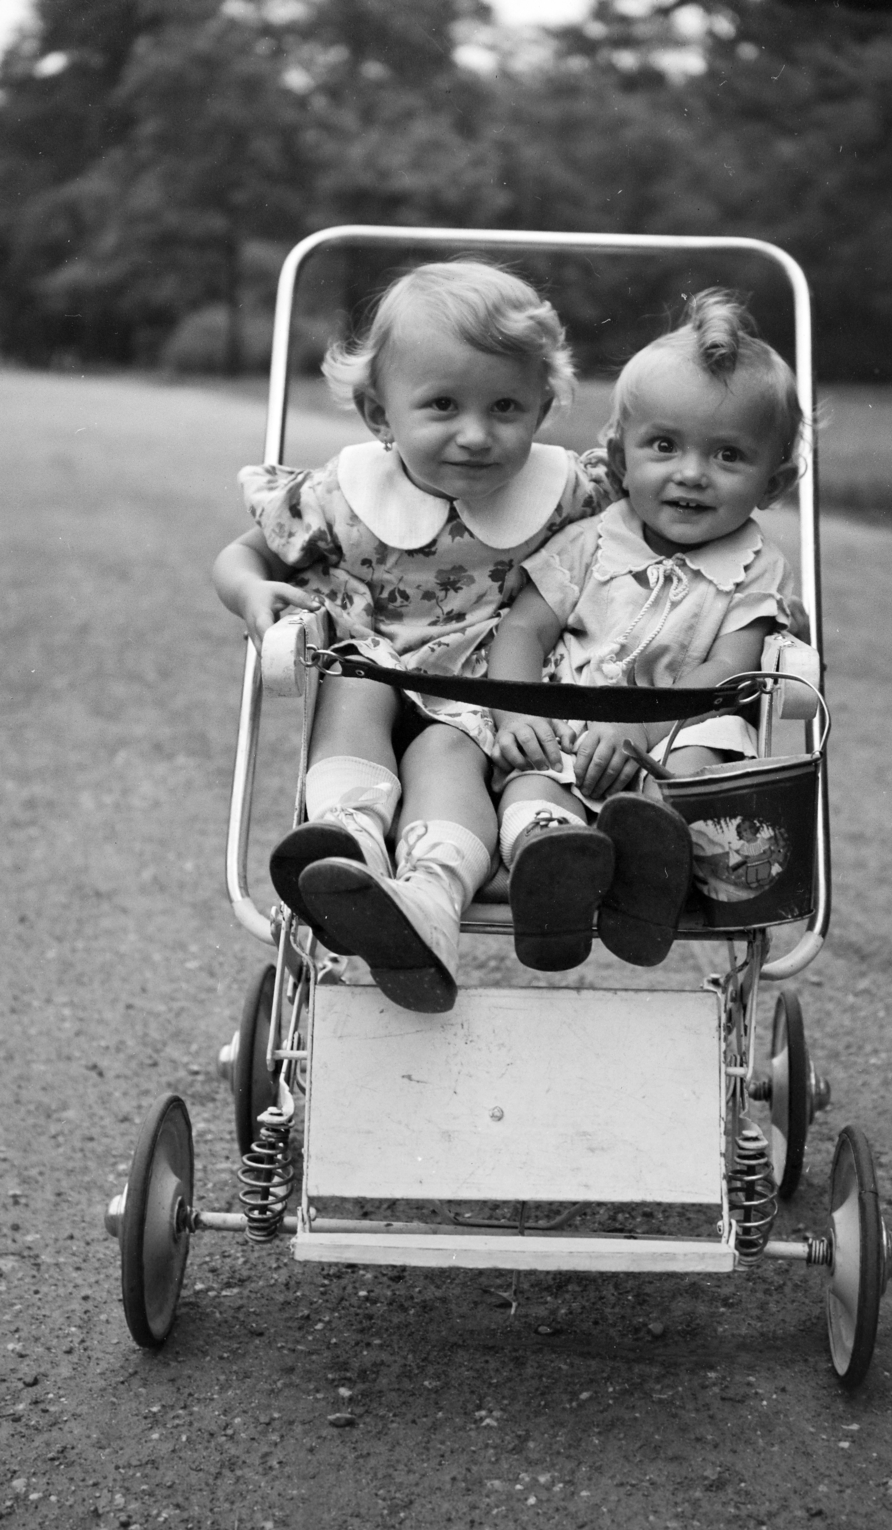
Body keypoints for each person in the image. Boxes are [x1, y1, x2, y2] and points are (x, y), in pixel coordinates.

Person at [212, 261, 616, 1013]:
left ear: (543, 406)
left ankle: (427, 899)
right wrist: (252, 590)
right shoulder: (345, 493)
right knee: (355, 684)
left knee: (448, 748)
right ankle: (348, 835)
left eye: (506, 406)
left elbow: (655, 525)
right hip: (379, 672)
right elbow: (242, 555)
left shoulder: (567, 493)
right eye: (441, 405)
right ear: (378, 412)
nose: (475, 434)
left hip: (484, 699)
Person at [486, 288, 800, 972]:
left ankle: (654, 872)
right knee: (530, 778)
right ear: (621, 458)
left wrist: (642, 726)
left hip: (677, 729)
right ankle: (551, 864)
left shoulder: (756, 567)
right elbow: (523, 630)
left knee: (709, 751)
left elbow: (728, 669)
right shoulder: (589, 542)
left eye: (728, 456)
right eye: (664, 446)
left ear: (773, 483)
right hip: (574, 723)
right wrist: (515, 716)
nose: (691, 474)